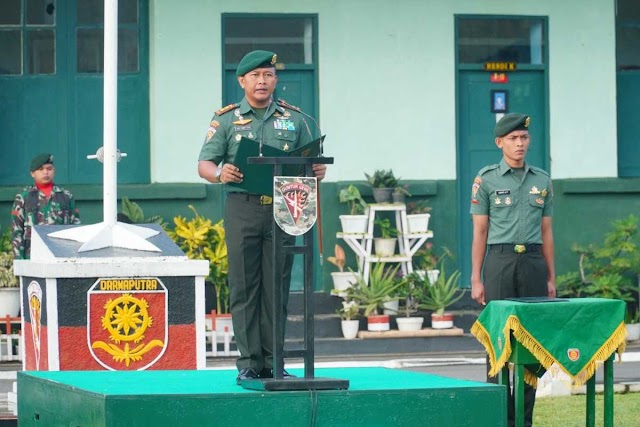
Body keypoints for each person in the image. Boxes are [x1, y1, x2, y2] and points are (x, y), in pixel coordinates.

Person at [197, 50, 327, 384]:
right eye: (255, 76)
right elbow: (204, 164)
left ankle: (275, 360)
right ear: (242, 81)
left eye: (268, 75)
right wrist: (219, 173)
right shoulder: (226, 120)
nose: (262, 81)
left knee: (277, 287)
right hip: (242, 207)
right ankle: (249, 362)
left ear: (275, 80)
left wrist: (316, 170)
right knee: (244, 286)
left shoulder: (295, 119)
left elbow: (309, 163)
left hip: (284, 208)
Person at [470, 113, 556, 427]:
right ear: (500, 142)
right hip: (499, 262)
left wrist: (550, 276)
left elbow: (547, 232)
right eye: (513, 139)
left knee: (531, 343)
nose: (520, 144)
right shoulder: (487, 179)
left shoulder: (542, 180)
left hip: (533, 262)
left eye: (524, 138)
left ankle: (524, 419)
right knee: (497, 341)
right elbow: (480, 231)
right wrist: (476, 277)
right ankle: (497, 417)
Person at [10, 153, 81, 259]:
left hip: (60, 256)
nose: (45, 172)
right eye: (40, 169)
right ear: (32, 173)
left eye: (49, 168)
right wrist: (20, 261)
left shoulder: (66, 196)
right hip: (32, 256)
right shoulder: (23, 198)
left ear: (54, 171)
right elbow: (17, 231)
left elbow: (75, 229)